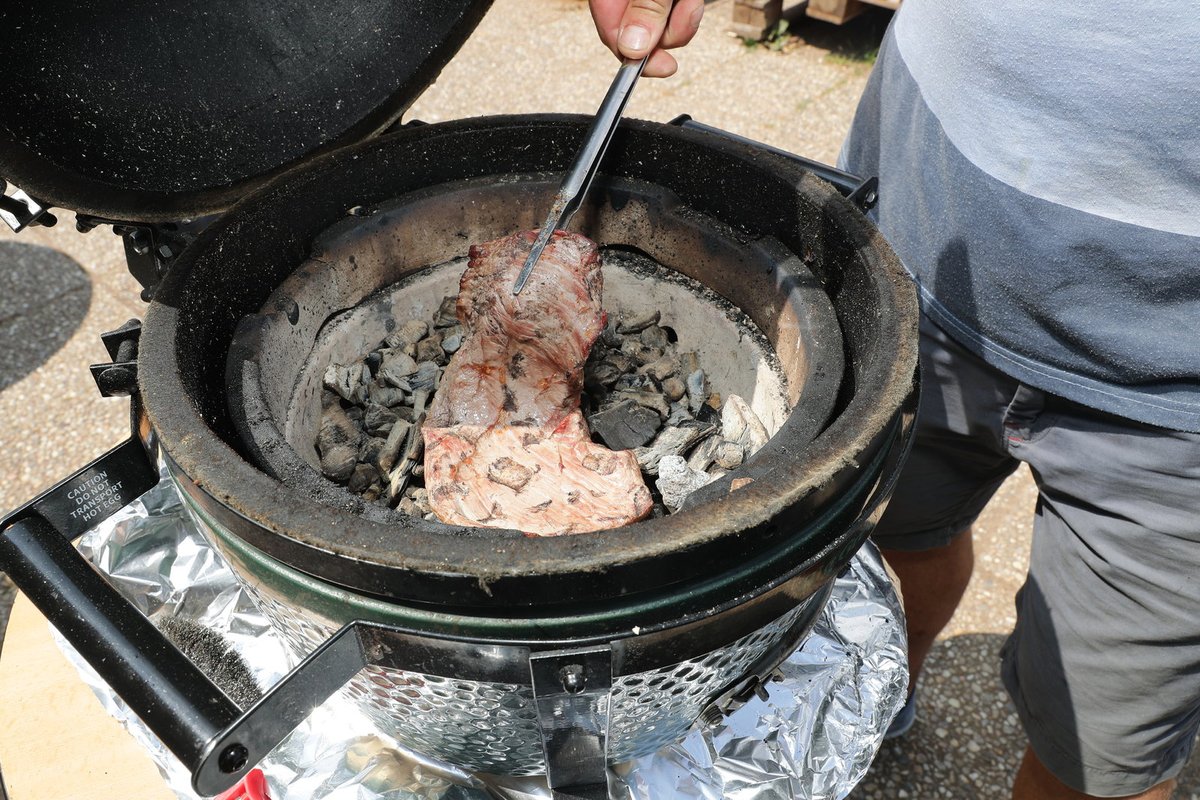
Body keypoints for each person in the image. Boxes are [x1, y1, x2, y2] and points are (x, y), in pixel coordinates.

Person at [588, 1, 1200, 798]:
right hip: (925, 224)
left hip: (1177, 384)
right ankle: (880, 702)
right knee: (893, 537)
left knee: (1103, 750)